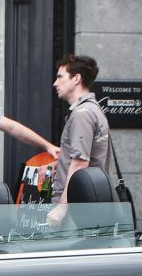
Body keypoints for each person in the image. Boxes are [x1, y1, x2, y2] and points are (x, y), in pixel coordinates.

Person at [47, 53, 112, 227]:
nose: (55, 83)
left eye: (60, 76)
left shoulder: (82, 114)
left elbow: (79, 164)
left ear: (76, 78)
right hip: (84, 204)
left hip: (76, 209)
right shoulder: (92, 110)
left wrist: (62, 208)